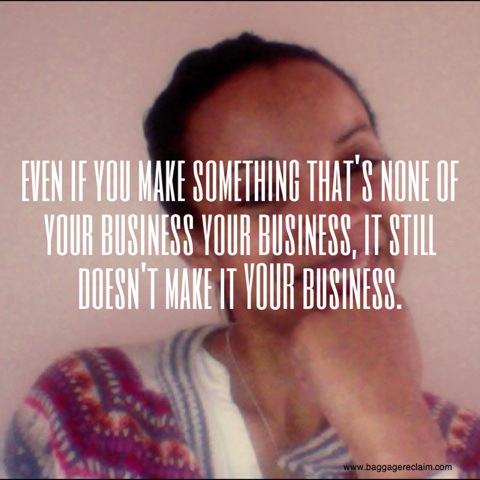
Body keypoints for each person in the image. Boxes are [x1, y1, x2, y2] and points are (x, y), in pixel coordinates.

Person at [3, 33, 480, 479]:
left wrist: (396, 441)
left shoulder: (466, 449)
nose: (336, 214)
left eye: (357, 163)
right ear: (199, 247)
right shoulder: (84, 413)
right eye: (261, 192)